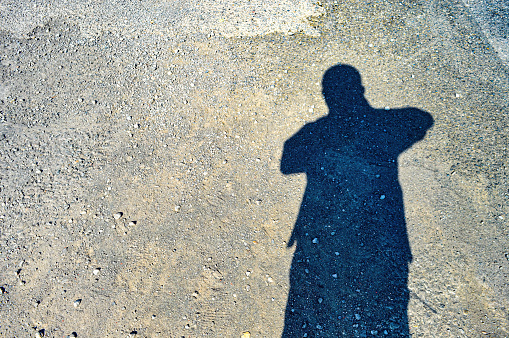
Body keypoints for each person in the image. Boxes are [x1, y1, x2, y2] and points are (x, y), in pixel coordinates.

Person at [281, 64, 433, 337]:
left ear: (328, 96)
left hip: (328, 240)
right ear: (360, 90)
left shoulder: (319, 132)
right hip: (378, 238)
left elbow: (287, 161)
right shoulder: (384, 128)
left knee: (322, 308)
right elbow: (422, 120)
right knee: (381, 309)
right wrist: (375, 120)